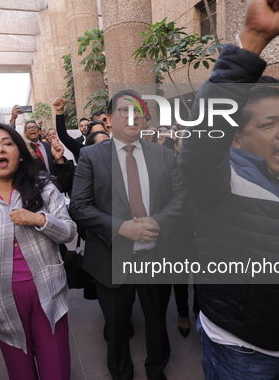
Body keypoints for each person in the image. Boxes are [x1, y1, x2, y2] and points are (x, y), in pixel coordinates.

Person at [178, 0, 279, 378]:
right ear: (237, 137)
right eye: (268, 124)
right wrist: (253, 41)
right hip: (242, 352)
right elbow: (201, 138)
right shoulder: (218, 179)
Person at [70, 90, 187, 380]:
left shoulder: (162, 154)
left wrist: (156, 222)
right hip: (112, 256)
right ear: (108, 120)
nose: (132, 116)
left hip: (155, 254)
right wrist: (121, 227)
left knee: (157, 320)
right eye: (124, 111)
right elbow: (79, 207)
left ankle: (156, 368)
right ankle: (121, 372)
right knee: (118, 325)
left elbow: (181, 197)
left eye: (138, 111)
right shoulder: (91, 156)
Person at [0, 123, 76, 380]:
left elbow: (69, 232)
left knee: (55, 367)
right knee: (20, 370)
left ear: (20, 153)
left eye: (7, 143)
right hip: (0, 297)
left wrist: (40, 220)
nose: (0, 149)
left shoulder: (44, 188)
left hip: (48, 288)